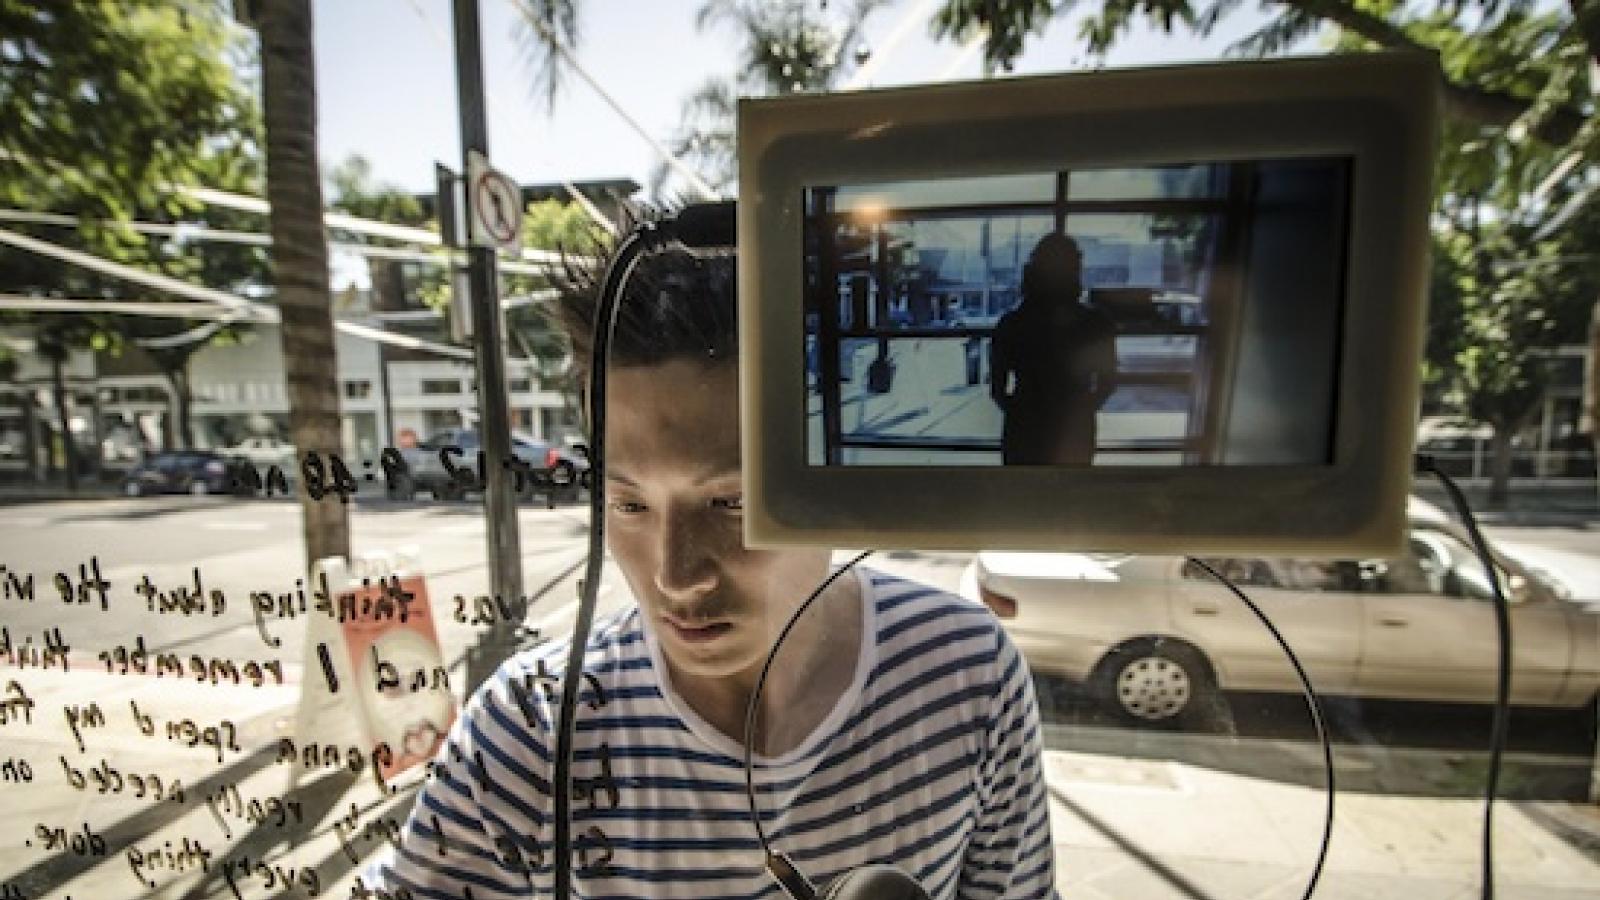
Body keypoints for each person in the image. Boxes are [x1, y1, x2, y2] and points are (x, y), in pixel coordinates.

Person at [362, 219, 1058, 899]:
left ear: (835, 480)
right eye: (629, 505)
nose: (674, 574)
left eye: (731, 505)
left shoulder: (967, 680)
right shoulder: (529, 731)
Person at [990, 233, 1118, 465]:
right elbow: (1108, 383)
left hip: (1025, 428)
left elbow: (997, 389)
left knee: (1021, 495)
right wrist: (1083, 408)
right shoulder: (1096, 323)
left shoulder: (1012, 323)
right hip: (1074, 427)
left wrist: (1019, 410)